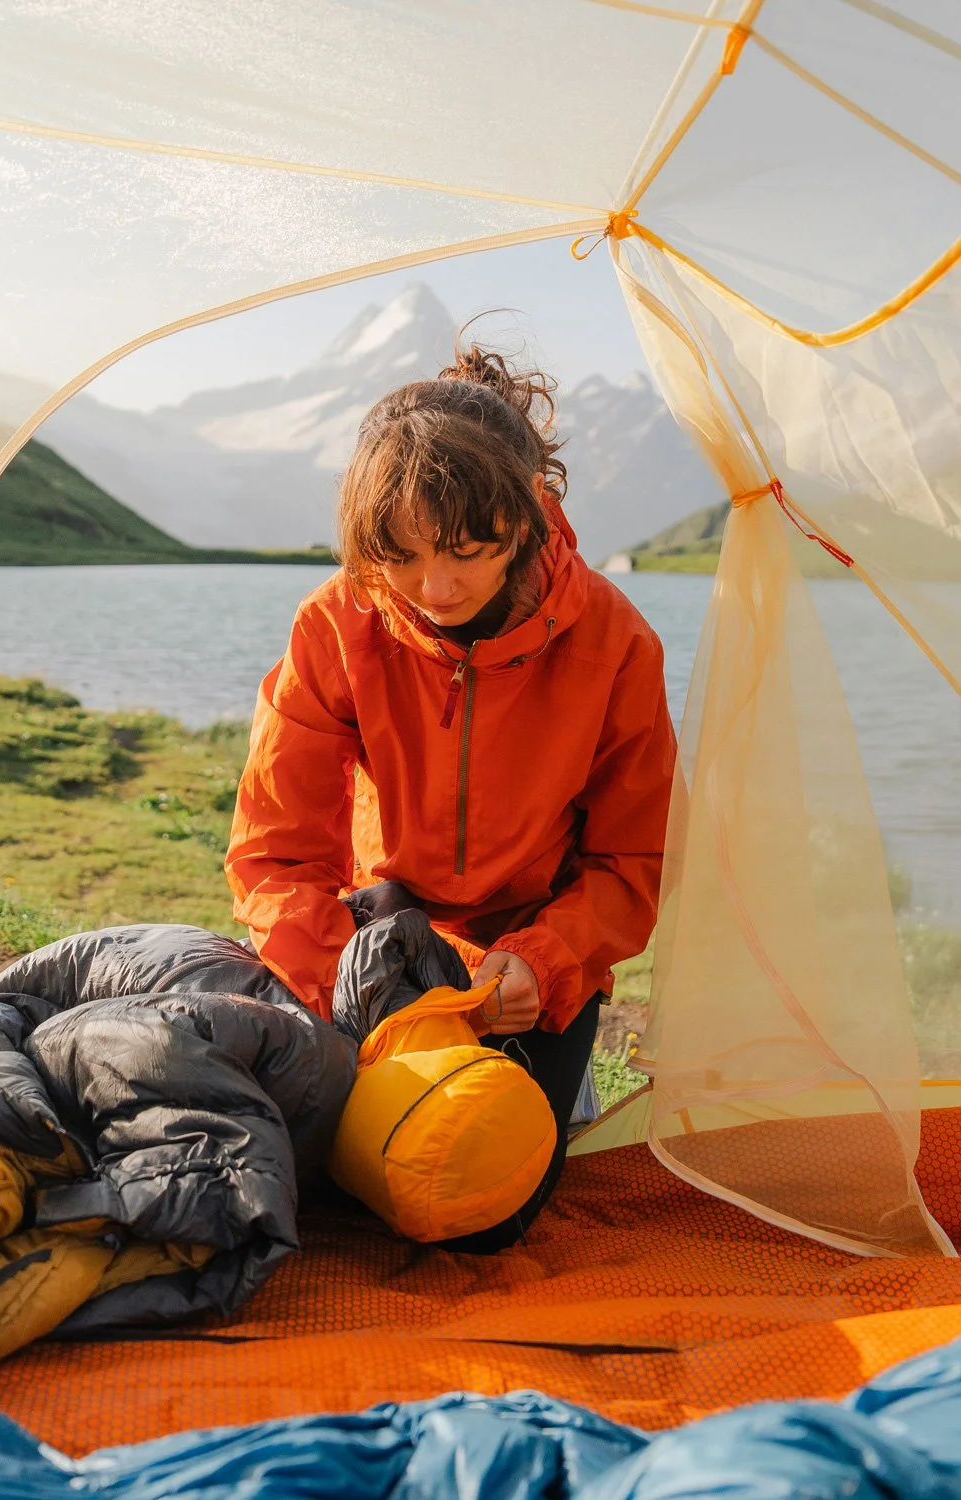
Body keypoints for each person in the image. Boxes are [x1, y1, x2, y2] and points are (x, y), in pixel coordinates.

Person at [225, 339, 677, 1250]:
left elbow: (632, 864)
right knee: (314, 1179)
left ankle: (549, 1070)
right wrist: (347, 986)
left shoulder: (617, 644)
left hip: (528, 953)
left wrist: (546, 965)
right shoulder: (336, 622)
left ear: (525, 517)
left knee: (481, 1215)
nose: (435, 588)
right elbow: (274, 855)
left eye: (468, 552)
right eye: (401, 557)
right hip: (379, 934)